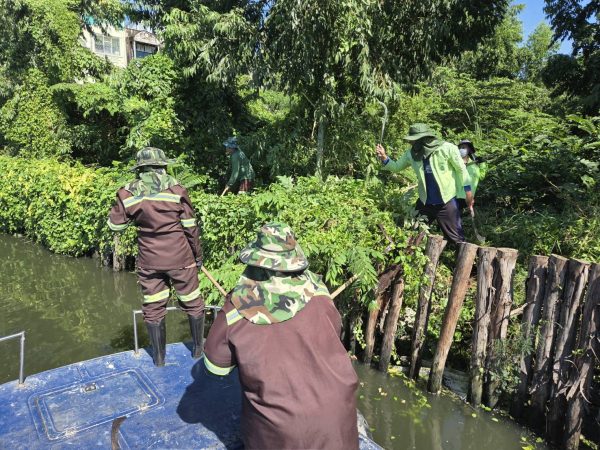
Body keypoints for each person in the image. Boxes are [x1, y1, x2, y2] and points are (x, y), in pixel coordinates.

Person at [202, 222, 359, 450]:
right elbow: (335, 333)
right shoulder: (321, 294)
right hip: (340, 427)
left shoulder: (235, 309)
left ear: (254, 262)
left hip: (278, 437)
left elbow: (216, 367)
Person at [108, 147, 205, 367]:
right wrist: (197, 256)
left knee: (153, 307)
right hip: (181, 258)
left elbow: (115, 225)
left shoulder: (127, 193)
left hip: (149, 260)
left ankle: (159, 359)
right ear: (163, 165)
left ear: (139, 168)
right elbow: (190, 227)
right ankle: (198, 351)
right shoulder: (177, 190)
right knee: (193, 302)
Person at [375, 123, 473, 244]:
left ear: (424, 139)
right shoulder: (412, 154)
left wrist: (468, 193)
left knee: (457, 240)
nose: (410, 143)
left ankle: (463, 256)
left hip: (446, 201)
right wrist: (384, 157)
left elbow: (462, 171)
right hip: (425, 202)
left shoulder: (447, 148)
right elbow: (396, 167)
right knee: (412, 236)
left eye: (413, 140)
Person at [456, 139, 484, 210]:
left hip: (468, 198)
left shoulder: (474, 165)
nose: (461, 149)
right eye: (460, 147)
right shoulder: (455, 162)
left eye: (464, 147)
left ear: (469, 149)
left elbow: (481, 176)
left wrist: (482, 163)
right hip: (455, 197)